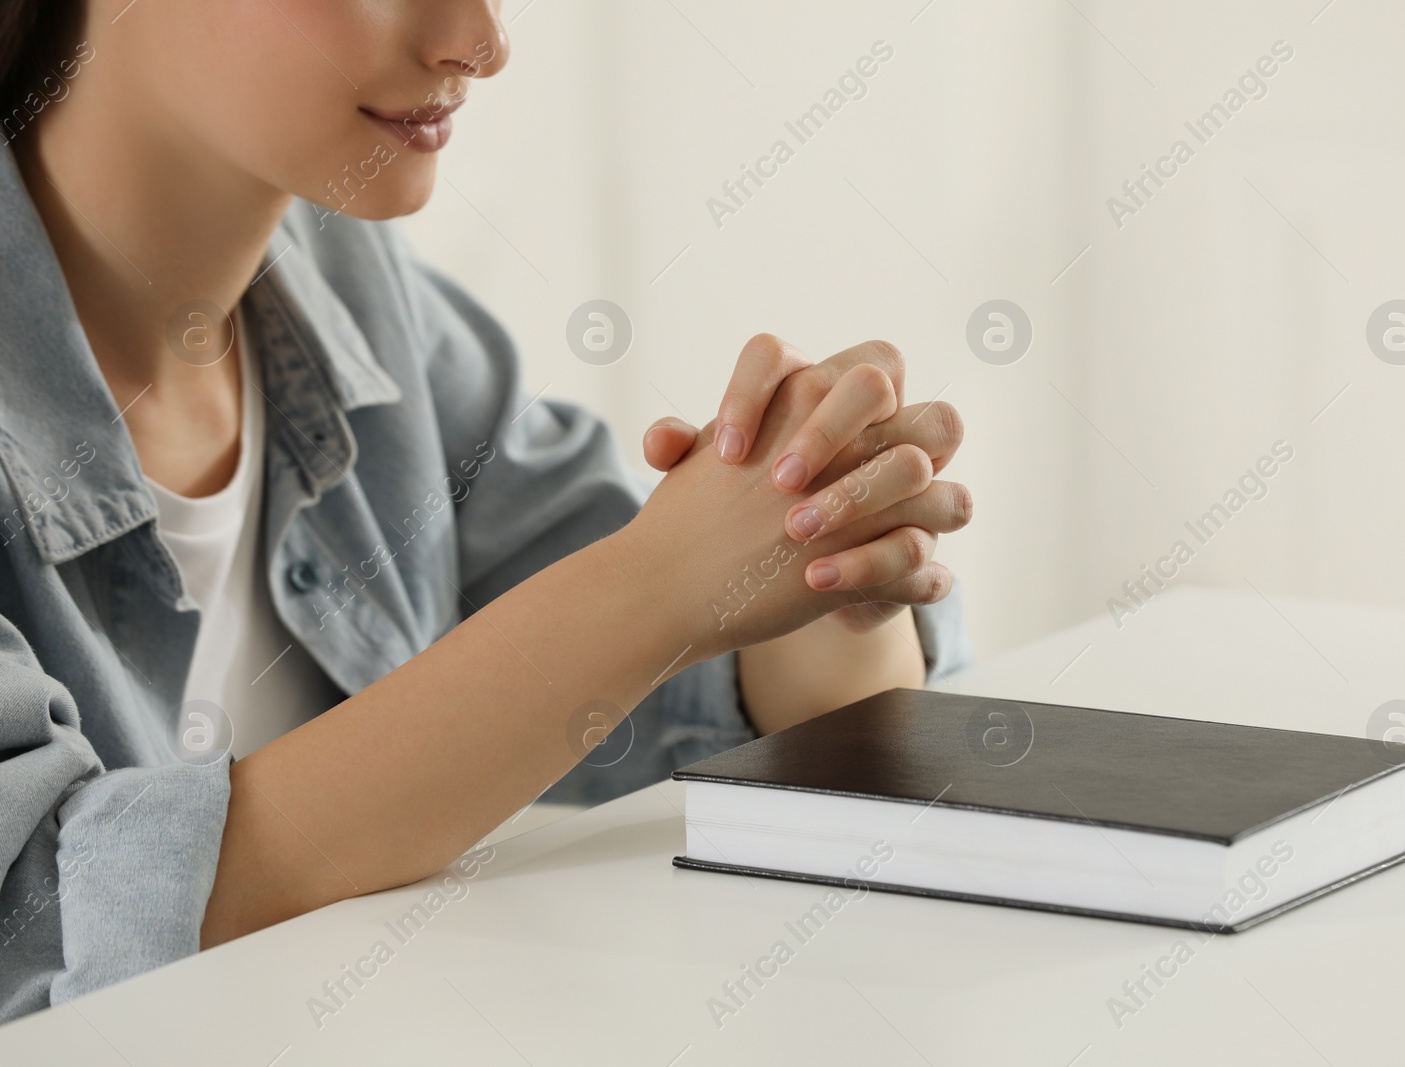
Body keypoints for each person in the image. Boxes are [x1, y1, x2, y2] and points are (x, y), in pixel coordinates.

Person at [0, 0, 973, 1021]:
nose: (480, 42)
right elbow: (37, 912)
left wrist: (818, 547)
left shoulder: (352, 289)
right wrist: (656, 587)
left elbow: (713, 706)